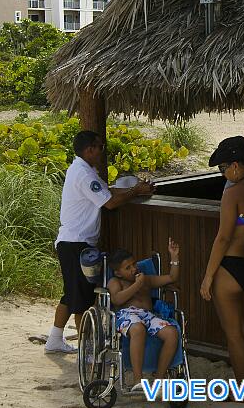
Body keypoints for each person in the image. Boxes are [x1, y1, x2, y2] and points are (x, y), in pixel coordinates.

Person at [45, 130, 155, 354]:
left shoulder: (84, 170)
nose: (102, 152)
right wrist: (135, 191)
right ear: (89, 150)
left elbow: (108, 191)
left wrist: (133, 188)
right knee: (83, 299)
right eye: (100, 147)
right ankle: (86, 352)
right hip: (76, 244)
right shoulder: (84, 174)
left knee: (72, 293)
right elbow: (110, 202)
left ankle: (55, 339)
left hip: (73, 242)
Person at [200, 136, 244, 401]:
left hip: (231, 268)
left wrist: (208, 276)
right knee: (243, 330)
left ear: (237, 165)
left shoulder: (233, 192)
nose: (223, 173)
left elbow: (224, 237)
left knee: (234, 334)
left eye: (223, 167)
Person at [107, 238, 180, 392]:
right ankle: (138, 379)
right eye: (128, 268)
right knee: (138, 329)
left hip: (148, 315)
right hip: (126, 315)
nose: (134, 269)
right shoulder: (115, 282)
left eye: (134, 264)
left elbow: (172, 278)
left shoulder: (145, 278)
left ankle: (159, 378)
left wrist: (174, 257)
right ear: (118, 273)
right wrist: (137, 285)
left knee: (172, 333)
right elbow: (117, 299)